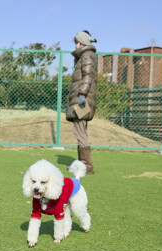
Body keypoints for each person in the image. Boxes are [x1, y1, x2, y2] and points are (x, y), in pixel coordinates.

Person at [66, 30, 98, 174]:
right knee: (80, 130)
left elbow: (87, 77)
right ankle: (82, 165)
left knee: (80, 132)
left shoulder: (86, 56)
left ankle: (86, 166)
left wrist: (81, 96)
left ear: (81, 42)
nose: (75, 46)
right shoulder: (86, 56)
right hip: (82, 98)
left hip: (82, 100)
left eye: (76, 43)